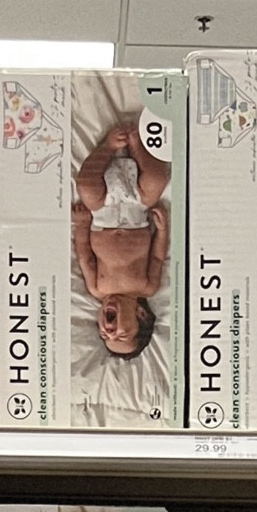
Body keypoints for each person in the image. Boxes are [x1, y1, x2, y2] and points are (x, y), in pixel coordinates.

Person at [72, 121, 169, 360]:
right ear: (141, 315)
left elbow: (85, 257)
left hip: (102, 212)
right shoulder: (147, 287)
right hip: (137, 210)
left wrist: (81, 225)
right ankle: (136, 145)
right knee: (157, 179)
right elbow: (158, 257)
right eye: (122, 335)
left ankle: (108, 147)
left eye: (104, 335)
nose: (109, 331)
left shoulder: (97, 289)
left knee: (86, 185)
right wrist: (162, 231)